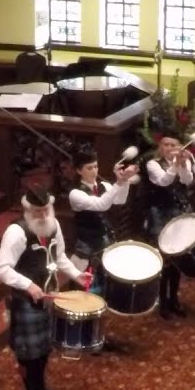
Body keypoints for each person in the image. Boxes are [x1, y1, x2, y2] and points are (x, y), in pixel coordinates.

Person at [0, 186, 90, 390]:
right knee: (28, 352)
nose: (43, 215)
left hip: (49, 296)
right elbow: (0, 269)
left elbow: (60, 257)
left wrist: (77, 274)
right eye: (37, 211)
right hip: (25, 300)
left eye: (46, 209)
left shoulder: (54, 226)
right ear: (28, 210)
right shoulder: (16, 233)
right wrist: (27, 285)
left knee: (44, 348)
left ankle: (42, 388)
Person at [67, 147, 139, 351]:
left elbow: (120, 199)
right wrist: (119, 182)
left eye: (96, 166)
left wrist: (122, 181)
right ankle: (83, 336)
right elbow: (100, 205)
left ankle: (99, 337)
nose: (95, 171)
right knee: (89, 294)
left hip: (104, 244)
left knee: (103, 294)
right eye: (89, 168)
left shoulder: (103, 184)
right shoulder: (75, 193)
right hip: (87, 250)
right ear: (79, 171)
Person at [146, 128, 195, 319]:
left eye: (173, 145)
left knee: (178, 258)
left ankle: (174, 298)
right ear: (160, 146)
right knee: (164, 260)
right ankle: (162, 301)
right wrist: (175, 165)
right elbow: (163, 181)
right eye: (165, 145)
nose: (169, 148)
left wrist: (183, 165)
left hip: (179, 212)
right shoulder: (153, 164)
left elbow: (187, 180)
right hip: (160, 212)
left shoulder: (185, 159)